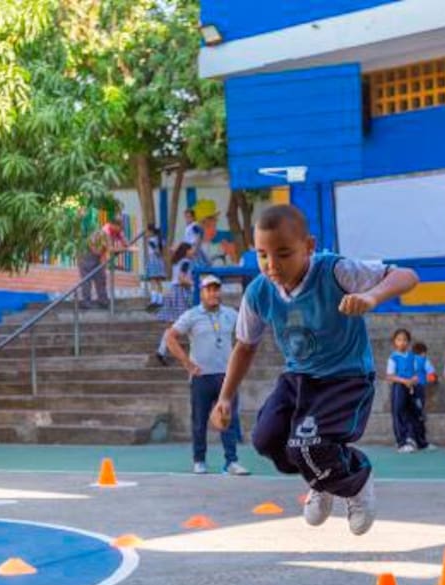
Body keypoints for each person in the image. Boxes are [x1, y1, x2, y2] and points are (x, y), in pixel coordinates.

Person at [210, 204, 419, 536]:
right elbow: (245, 346)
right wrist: (225, 397)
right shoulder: (259, 292)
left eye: (283, 254)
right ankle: (322, 478)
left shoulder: (335, 271)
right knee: (266, 440)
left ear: (309, 246)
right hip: (299, 378)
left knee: (307, 446)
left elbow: (408, 276)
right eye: (263, 255)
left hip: (345, 377)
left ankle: (357, 478)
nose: (272, 265)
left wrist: (371, 296)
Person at [165, 275, 249, 476]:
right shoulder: (192, 315)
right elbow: (170, 336)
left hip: (226, 377)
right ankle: (199, 460)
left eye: (216, 289)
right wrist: (187, 363)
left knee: (228, 419)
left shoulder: (230, 314)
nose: (213, 293)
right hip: (201, 377)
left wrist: (236, 365)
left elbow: (245, 336)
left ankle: (231, 461)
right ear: (201, 293)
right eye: (209, 290)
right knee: (199, 421)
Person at [78, 216, 127, 309]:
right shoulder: (105, 232)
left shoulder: (115, 231)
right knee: (87, 280)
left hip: (97, 256)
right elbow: (110, 249)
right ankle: (86, 302)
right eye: (120, 227)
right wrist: (124, 249)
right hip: (87, 255)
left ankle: (103, 300)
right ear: (113, 225)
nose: (121, 230)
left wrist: (125, 243)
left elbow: (125, 242)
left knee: (101, 278)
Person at [152, 260, 194, 366]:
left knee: (175, 325)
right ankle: (162, 351)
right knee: (181, 323)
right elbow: (181, 278)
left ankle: (162, 351)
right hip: (180, 293)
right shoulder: (185, 262)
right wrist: (194, 283)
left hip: (175, 292)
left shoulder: (178, 262)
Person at [386, 329, 420, 453]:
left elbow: (416, 373)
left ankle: (411, 438)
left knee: (411, 412)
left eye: (405, 340)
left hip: (411, 387)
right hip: (399, 387)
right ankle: (401, 442)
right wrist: (404, 381)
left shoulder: (412, 356)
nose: (402, 342)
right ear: (394, 342)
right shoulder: (393, 357)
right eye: (399, 340)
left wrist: (413, 380)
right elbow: (390, 376)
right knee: (399, 412)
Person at [411, 341, 437, 451]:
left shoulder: (409, 359)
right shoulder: (424, 360)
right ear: (423, 352)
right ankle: (420, 441)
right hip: (419, 388)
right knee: (420, 415)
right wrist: (433, 379)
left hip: (407, 388)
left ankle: (410, 439)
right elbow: (431, 374)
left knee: (410, 414)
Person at [143, 224, 166, 309]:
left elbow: (156, 251)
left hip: (153, 260)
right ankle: (160, 300)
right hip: (160, 261)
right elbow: (162, 249)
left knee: (153, 280)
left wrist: (154, 248)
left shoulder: (151, 240)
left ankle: (154, 300)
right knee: (159, 281)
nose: (146, 233)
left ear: (151, 231)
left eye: (147, 231)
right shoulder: (160, 239)